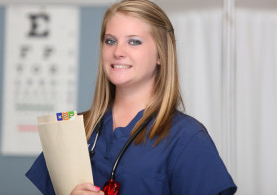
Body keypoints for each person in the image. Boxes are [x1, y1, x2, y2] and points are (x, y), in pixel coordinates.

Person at [26, 0, 237, 194]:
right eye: (110, 41)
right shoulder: (75, 129)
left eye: (134, 42)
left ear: (160, 55)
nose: (118, 51)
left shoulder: (186, 138)